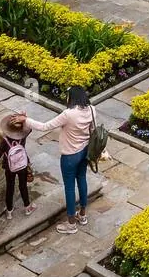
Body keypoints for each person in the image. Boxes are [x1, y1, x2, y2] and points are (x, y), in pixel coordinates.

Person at [26, 87, 96, 235]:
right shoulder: (91, 109)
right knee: (82, 180)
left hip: (70, 156)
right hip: (84, 152)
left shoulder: (68, 114)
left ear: (72, 98)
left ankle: (71, 224)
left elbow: (45, 126)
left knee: (69, 188)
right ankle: (82, 215)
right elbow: (92, 130)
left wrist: (26, 120)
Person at [0, 113, 36, 220]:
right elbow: (30, 128)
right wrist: (25, 118)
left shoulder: (5, 141)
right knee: (23, 186)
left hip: (9, 168)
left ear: (8, 129)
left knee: (10, 188)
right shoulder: (23, 137)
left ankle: (9, 212)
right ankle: (28, 208)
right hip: (23, 166)